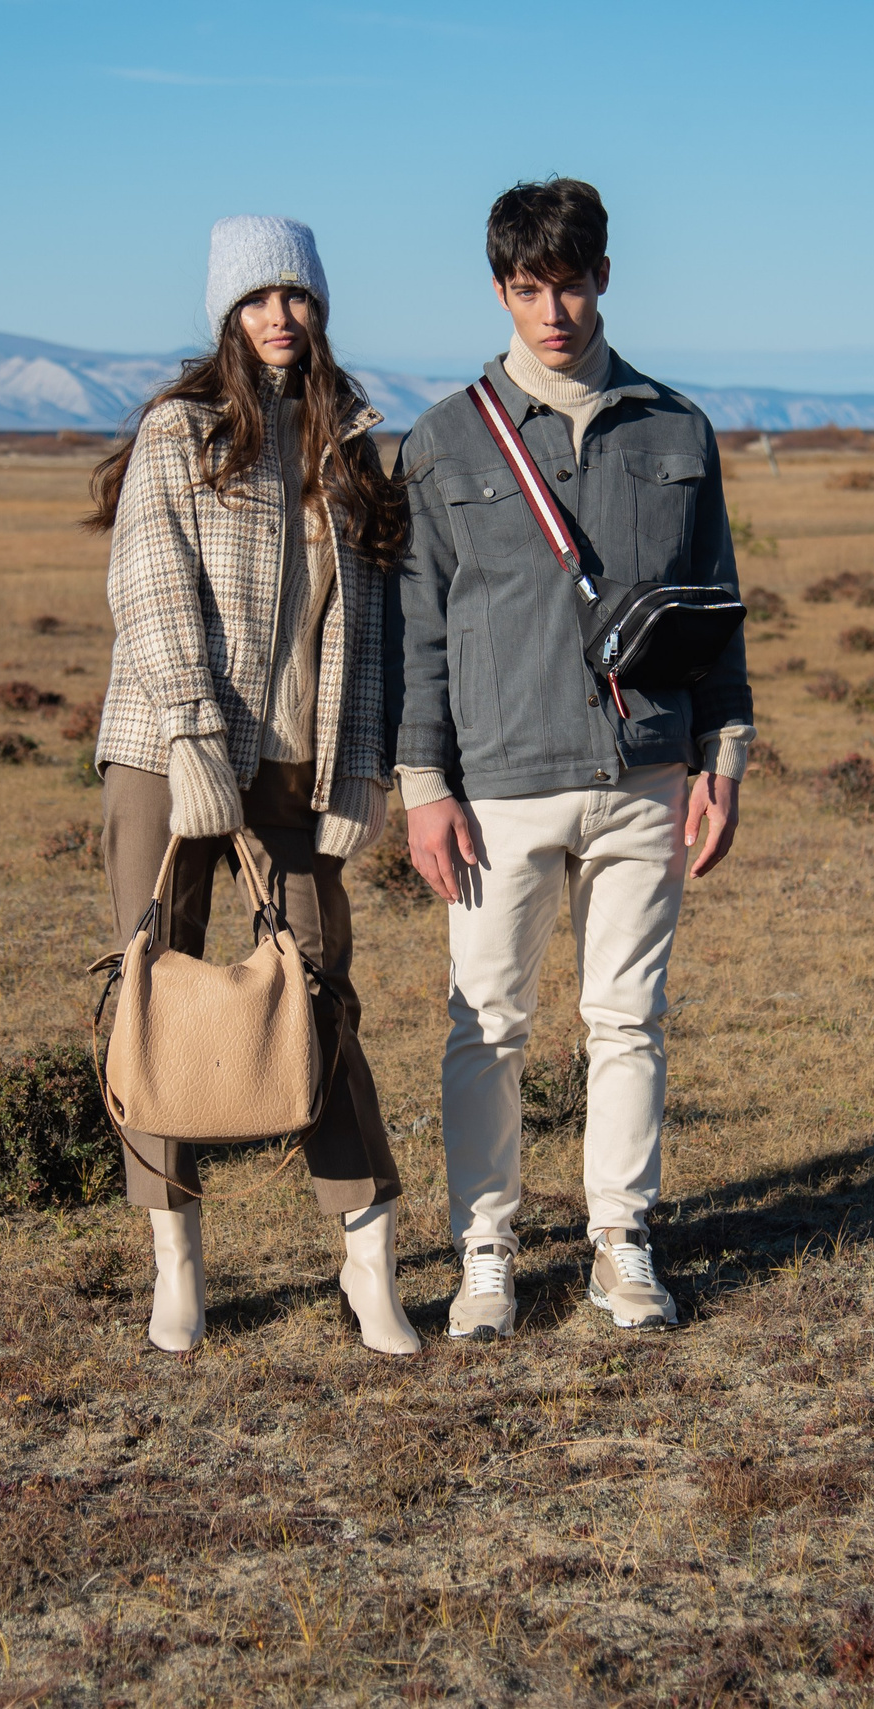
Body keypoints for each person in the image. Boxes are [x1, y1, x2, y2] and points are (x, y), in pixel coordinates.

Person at [390, 178, 756, 1339]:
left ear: (605, 276)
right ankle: (485, 1251)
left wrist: (724, 754)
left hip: (646, 771)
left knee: (628, 1017)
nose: (553, 309)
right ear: (500, 288)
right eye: (528, 287)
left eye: (571, 281)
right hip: (497, 787)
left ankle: (619, 1243)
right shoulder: (444, 439)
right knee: (486, 1024)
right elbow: (418, 632)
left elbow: (719, 608)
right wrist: (422, 787)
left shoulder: (674, 426)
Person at [86, 215, 417, 1357]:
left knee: (319, 990)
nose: (281, 316)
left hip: (299, 763)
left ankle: (367, 1263)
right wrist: (185, 736)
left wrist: (364, 762)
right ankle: (174, 1262)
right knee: (151, 989)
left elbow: (372, 624)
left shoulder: (348, 447)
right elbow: (149, 579)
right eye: (258, 298)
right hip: (163, 756)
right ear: (227, 314)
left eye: (298, 296)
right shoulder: (180, 433)